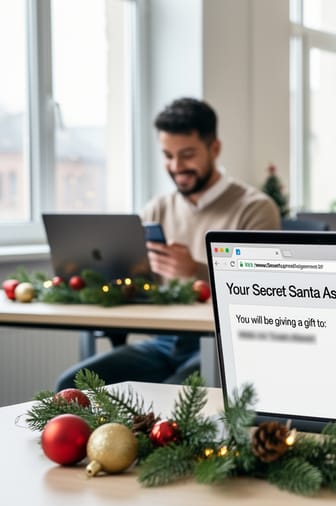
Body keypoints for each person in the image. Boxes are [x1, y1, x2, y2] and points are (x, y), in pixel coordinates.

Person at [56, 97, 281, 389]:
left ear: (214, 149)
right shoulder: (157, 209)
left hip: (224, 344)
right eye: (168, 155)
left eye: (187, 155)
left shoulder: (254, 208)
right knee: (70, 385)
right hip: (165, 342)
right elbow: (139, 285)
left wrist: (194, 271)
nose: (176, 166)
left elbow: (263, 292)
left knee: (171, 396)